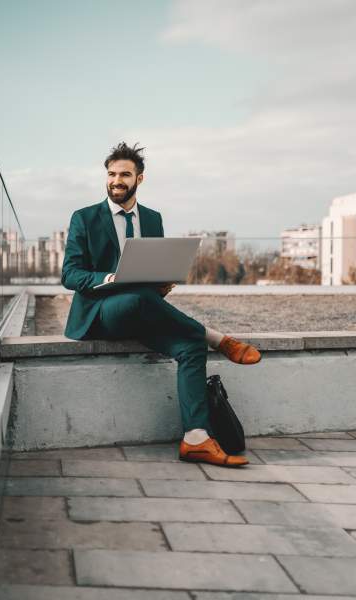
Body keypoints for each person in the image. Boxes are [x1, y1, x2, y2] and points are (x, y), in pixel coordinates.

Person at [62, 142, 261, 468]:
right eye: (111, 174)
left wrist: (161, 283)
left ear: (139, 179)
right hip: (101, 313)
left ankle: (196, 438)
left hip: (143, 308)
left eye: (124, 174)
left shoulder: (152, 219)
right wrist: (111, 278)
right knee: (138, 297)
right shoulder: (84, 218)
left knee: (190, 345)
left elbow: (150, 275)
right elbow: (71, 275)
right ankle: (218, 338)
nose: (116, 180)